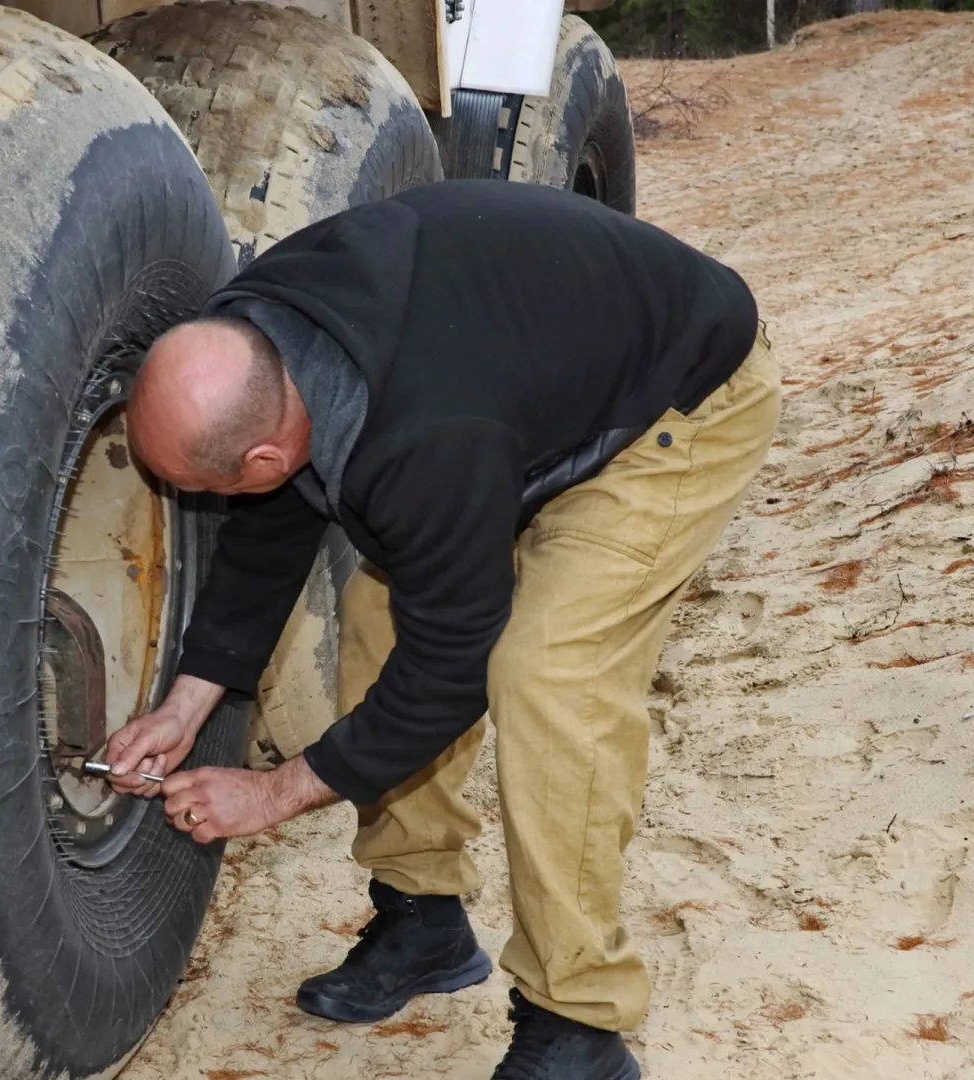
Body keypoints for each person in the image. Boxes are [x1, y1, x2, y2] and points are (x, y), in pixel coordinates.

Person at [104, 178, 778, 1079]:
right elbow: (273, 514)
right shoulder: (261, 333)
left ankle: (577, 1020)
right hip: (520, 388)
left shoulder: (425, 441)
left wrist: (270, 796)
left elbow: (453, 666)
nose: (216, 505)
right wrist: (189, 703)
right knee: (382, 606)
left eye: (215, 487)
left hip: (677, 398)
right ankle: (423, 918)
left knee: (548, 674)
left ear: (264, 447)